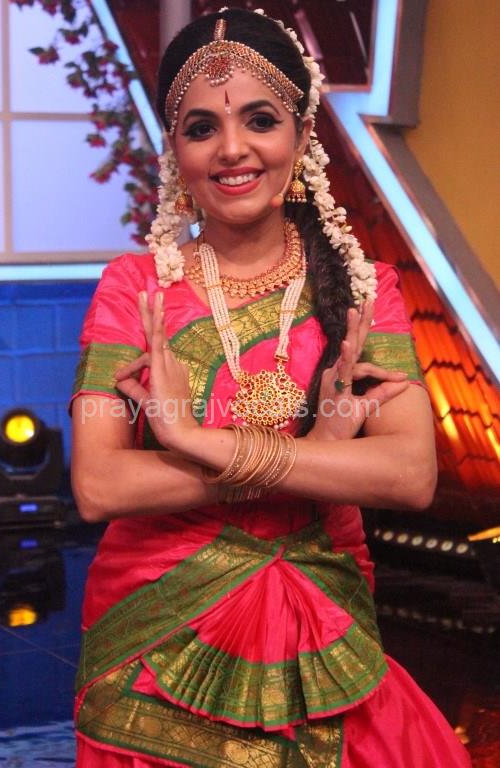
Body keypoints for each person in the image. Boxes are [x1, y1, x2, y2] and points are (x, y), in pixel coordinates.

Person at [69, 8, 471, 767]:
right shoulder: (135, 289)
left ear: (302, 132)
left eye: (260, 119)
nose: (232, 149)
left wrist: (195, 443)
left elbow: (409, 474)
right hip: (152, 640)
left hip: (328, 627)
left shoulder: (364, 290)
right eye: (201, 128)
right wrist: (317, 458)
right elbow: (99, 485)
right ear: (175, 149)